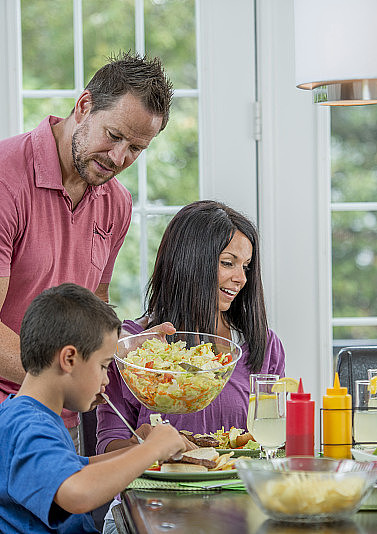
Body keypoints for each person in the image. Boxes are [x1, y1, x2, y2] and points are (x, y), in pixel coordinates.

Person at [0, 51, 174, 533]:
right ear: (84, 106)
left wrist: (120, 350)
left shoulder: (114, 203)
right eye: (114, 136)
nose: (119, 159)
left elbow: (89, 311)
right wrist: (71, 380)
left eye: (136, 148)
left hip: (47, 403)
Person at [97, 200, 286, 534]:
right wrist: (145, 446)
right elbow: (109, 445)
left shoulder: (262, 345)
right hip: (147, 511)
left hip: (237, 511)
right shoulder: (131, 347)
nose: (240, 278)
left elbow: (274, 444)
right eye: (228, 263)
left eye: (246, 266)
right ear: (189, 262)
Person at [0, 283, 188, 534]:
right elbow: (77, 493)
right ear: (69, 359)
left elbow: (78, 468)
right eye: (103, 366)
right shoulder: (28, 426)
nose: (106, 379)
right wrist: (152, 450)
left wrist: (136, 449)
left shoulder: (22, 413)